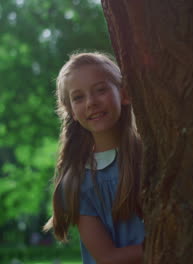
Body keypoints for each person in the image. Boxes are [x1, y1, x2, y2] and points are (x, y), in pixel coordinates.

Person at [43, 52, 145, 264]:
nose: (91, 102)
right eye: (78, 97)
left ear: (124, 94)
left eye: (100, 90)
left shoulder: (152, 155)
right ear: (71, 110)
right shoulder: (78, 181)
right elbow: (107, 258)